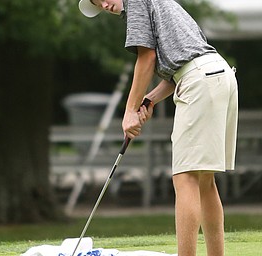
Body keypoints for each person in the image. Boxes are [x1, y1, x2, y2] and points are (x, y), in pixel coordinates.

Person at [78, 0, 238, 255]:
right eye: (98, 5)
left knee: (185, 177)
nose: (105, 5)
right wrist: (149, 98)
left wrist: (130, 110)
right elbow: (185, 60)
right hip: (219, 75)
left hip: (200, 79)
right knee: (205, 180)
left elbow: (147, 57)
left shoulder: (136, 2)